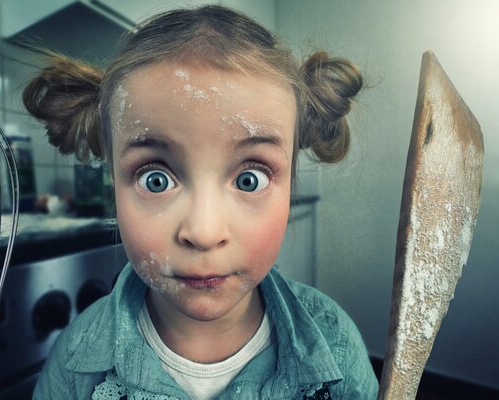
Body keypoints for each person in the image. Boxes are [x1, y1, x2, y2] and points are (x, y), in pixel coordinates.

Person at [23, 5, 378, 399]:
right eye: (155, 180)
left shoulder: (336, 343)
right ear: (113, 182)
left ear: (291, 181)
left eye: (250, 178)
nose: (205, 233)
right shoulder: (74, 363)